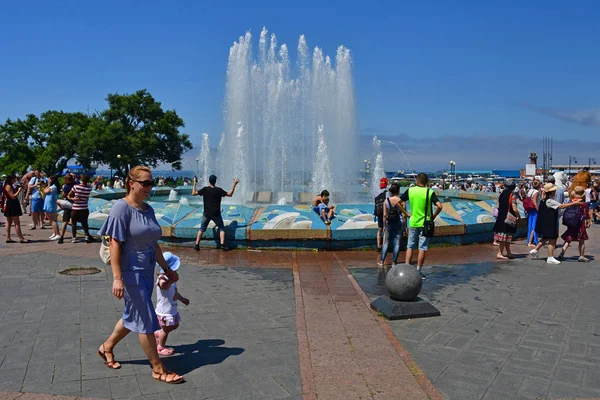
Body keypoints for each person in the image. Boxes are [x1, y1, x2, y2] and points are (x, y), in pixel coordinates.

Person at [97, 165, 184, 385]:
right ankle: (158, 368)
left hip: (146, 271)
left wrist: (166, 268)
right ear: (131, 183)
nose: (149, 187)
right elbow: (115, 244)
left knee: (133, 315)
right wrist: (117, 278)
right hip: (130, 273)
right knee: (146, 318)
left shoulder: (148, 209)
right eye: (145, 183)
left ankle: (106, 347)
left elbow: (153, 243)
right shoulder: (121, 208)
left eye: (151, 182)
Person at [401, 173, 443, 278]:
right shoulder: (429, 192)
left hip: (413, 222)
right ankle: (418, 271)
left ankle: (407, 269)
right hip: (426, 223)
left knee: (410, 246)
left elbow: (398, 202)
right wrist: (433, 216)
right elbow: (439, 206)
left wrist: (406, 214)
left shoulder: (411, 190)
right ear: (426, 182)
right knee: (422, 248)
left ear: (417, 181)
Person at [530, 183, 583, 264]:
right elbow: (562, 206)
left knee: (546, 237)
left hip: (545, 222)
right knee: (552, 238)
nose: (555, 192)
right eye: (554, 191)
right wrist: (575, 203)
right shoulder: (549, 200)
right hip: (549, 223)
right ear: (551, 192)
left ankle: (535, 249)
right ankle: (550, 257)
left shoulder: (543, 199)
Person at [154, 252, 189, 356]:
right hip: (164, 311)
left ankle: (158, 334)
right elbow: (164, 286)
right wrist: (170, 280)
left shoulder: (171, 279)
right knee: (165, 330)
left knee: (175, 325)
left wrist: (182, 299)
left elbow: (174, 292)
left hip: (171, 309)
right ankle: (160, 347)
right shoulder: (162, 279)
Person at [191, 174, 239, 251]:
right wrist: (234, 184)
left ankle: (196, 245)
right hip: (216, 214)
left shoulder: (205, 189)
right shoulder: (219, 190)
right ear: (215, 181)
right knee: (221, 228)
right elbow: (230, 194)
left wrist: (194, 183)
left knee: (202, 229)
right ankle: (222, 245)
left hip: (206, 214)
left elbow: (193, 193)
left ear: (209, 181)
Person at [378, 184, 410, 266]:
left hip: (389, 223)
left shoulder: (386, 201)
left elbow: (384, 215)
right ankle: (394, 262)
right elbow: (404, 215)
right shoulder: (402, 201)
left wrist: (384, 225)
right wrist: (405, 226)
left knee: (386, 242)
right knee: (397, 243)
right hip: (399, 223)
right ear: (398, 191)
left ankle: (382, 261)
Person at [557, 186, 591, 262]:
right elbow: (587, 215)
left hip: (571, 222)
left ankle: (562, 253)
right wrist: (588, 222)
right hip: (580, 223)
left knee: (569, 238)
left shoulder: (570, 201)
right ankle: (581, 255)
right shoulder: (583, 203)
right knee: (582, 239)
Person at [493, 180, 520, 260]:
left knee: (507, 236)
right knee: (505, 236)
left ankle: (508, 252)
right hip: (508, 218)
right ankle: (500, 253)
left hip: (501, 217)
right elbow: (514, 208)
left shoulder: (501, 195)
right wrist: (518, 216)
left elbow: (498, 205)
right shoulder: (513, 195)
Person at [3, 175, 28, 243]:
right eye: (13, 179)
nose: (14, 181)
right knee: (16, 222)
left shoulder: (10, 185)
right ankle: (21, 238)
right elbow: (13, 196)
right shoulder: (8, 186)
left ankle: (8, 238)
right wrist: (19, 191)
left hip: (11, 204)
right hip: (12, 204)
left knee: (9, 221)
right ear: (10, 179)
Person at [68, 175, 93, 243]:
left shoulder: (76, 186)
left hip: (76, 207)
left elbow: (68, 196)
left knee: (74, 223)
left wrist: (73, 199)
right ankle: (87, 237)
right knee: (85, 223)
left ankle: (74, 238)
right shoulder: (89, 188)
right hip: (84, 208)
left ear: (81, 180)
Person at [57, 174, 75, 244]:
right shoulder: (76, 184)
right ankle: (74, 237)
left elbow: (63, 195)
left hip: (68, 204)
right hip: (75, 204)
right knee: (74, 221)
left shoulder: (66, 186)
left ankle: (62, 237)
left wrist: (63, 190)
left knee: (65, 221)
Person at [43, 176, 60, 240]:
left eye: (49, 179)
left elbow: (45, 191)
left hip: (51, 204)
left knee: (53, 219)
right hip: (48, 203)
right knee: (50, 219)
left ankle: (58, 234)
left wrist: (48, 184)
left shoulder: (53, 187)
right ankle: (55, 232)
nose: (48, 179)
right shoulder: (51, 187)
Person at [373, 177, 388, 252]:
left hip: (379, 214)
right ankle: (385, 246)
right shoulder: (387, 192)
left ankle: (378, 246)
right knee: (385, 230)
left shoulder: (377, 192)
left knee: (379, 230)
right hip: (385, 214)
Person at [525, 180, 541, 247]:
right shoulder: (536, 192)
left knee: (530, 224)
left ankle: (529, 240)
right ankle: (531, 242)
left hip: (530, 209)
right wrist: (538, 210)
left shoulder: (530, 190)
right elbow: (534, 201)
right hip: (534, 210)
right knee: (534, 226)